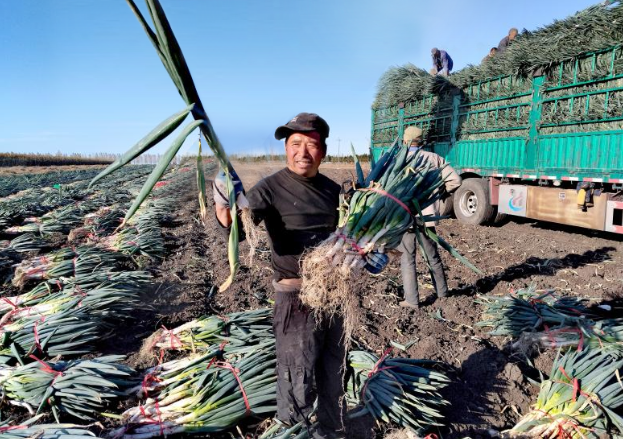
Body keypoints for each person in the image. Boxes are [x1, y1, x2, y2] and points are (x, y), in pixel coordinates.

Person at [212, 113, 386, 439]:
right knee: (297, 373)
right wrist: (225, 208)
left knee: (334, 369)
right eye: (295, 144)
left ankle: (332, 430)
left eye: (311, 145)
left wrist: (370, 253)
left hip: (335, 296)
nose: (302, 152)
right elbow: (237, 230)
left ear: (322, 150)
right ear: (285, 149)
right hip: (295, 298)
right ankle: (297, 431)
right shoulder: (270, 188)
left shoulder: (335, 192)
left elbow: (351, 238)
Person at [397, 126, 461, 309]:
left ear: (404, 142)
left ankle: (412, 300)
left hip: (405, 216)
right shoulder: (434, 158)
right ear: (421, 142)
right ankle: (442, 294)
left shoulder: (399, 161)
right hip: (426, 216)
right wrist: (439, 193)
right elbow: (456, 180)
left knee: (407, 258)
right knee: (432, 256)